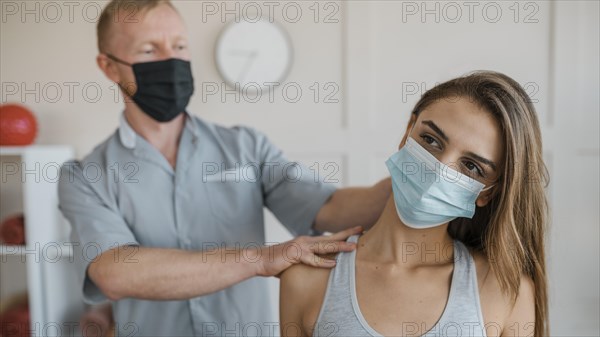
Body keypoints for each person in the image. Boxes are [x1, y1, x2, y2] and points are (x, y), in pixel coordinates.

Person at [57, 0, 391, 335]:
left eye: (179, 46)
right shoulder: (85, 176)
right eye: (148, 50)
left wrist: (410, 180)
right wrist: (259, 260)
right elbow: (114, 272)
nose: (170, 60)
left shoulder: (246, 146)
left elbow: (327, 206)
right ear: (109, 67)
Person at [280, 71, 549, 337]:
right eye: (431, 140)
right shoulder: (307, 278)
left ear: (487, 193)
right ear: (408, 131)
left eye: (471, 167)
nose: (439, 170)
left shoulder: (505, 292)